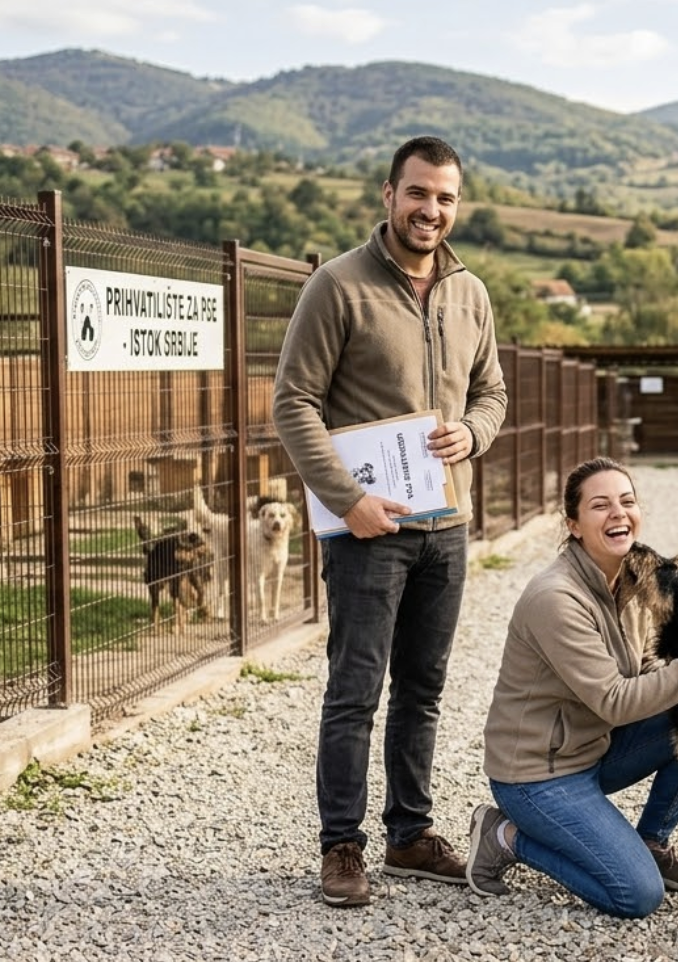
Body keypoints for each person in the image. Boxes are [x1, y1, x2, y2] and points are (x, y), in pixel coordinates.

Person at [273, 135, 509, 909]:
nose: (430, 210)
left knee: (425, 688)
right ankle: (341, 846)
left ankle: (409, 834)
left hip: (447, 526)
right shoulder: (337, 286)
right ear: (388, 194)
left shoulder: (471, 293)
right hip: (368, 530)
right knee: (355, 690)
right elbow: (293, 402)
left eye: (444, 197)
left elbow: (493, 394)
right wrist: (347, 500)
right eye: (418, 193)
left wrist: (472, 433)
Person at [465, 457, 678, 917]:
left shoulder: (633, 584)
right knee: (637, 894)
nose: (618, 513)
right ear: (573, 525)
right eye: (600, 505)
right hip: (539, 774)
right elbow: (616, 701)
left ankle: (652, 840)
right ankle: (504, 836)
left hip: (594, 748)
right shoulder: (555, 598)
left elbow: (646, 675)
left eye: (627, 501)